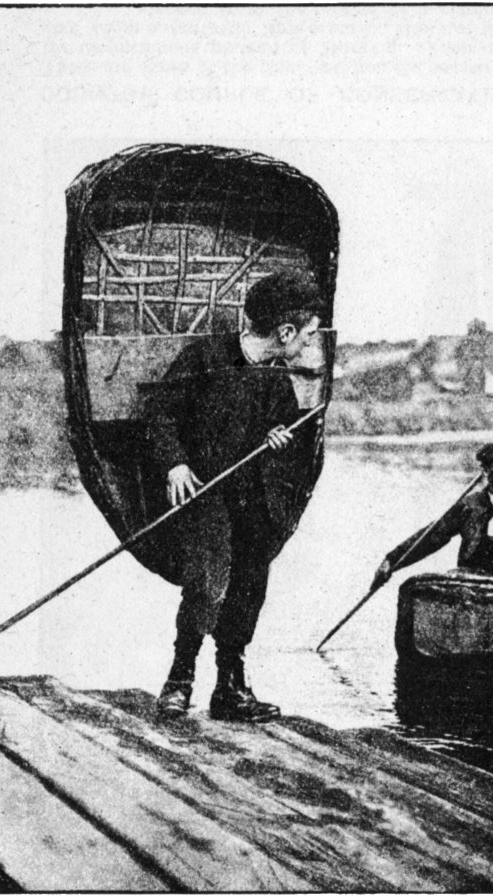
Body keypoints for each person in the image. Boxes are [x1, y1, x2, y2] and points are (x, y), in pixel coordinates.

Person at [146, 271, 328, 722]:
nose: (309, 344)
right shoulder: (205, 358)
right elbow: (161, 415)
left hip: (252, 498)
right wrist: (175, 463)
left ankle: (230, 686)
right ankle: (179, 679)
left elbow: (283, 424)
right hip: (205, 493)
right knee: (207, 582)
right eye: (306, 335)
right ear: (284, 333)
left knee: (251, 582)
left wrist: (277, 436)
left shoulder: (276, 376)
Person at [370, 442, 493, 589]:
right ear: (486, 470)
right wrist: (391, 562)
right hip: (473, 579)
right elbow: (432, 536)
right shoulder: (468, 506)